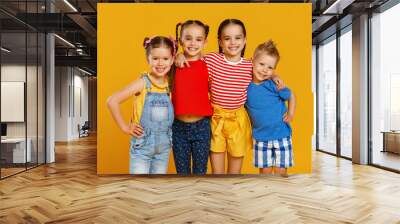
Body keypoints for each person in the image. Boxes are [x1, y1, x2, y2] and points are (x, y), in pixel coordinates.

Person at [176, 19, 284, 174]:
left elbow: (265, 68)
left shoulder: (250, 65)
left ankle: (231, 197)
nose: (233, 42)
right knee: (217, 174)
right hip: (216, 119)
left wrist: (275, 75)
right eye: (227, 38)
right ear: (220, 41)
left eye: (237, 38)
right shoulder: (212, 59)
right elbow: (192, 55)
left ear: (245, 40)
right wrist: (179, 55)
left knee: (235, 173)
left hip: (238, 121)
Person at [107, 36, 176, 174]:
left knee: (156, 188)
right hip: (142, 145)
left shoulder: (171, 83)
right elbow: (112, 101)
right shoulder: (143, 83)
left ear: (172, 59)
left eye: (165, 59)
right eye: (155, 58)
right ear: (148, 59)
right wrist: (125, 127)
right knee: (139, 187)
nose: (160, 63)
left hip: (164, 146)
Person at [246, 40, 296, 177]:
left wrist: (291, 113)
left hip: (282, 135)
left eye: (270, 67)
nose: (264, 70)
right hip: (261, 138)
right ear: (252, 61)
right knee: (265, 173)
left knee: (281, 172)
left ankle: (281, 196)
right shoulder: (245, 86)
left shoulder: (273, 84)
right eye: (261, 64)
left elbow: (291, 94)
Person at [171, 20, 213, 175]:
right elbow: (154, 51)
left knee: (200, 172)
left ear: (205, 41)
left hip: (202, 127)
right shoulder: (173, 64)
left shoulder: (208, 64)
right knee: (181, 173)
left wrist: (273, 73)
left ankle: (199, 199)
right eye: (188, 38)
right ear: (181, 40)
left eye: (198, 39)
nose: (193, 43)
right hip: (178, 127)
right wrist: (177, 54)